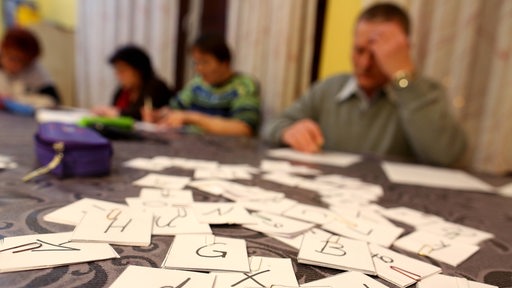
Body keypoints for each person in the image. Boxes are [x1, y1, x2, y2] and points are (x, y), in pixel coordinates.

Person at [262, 3, 467, 167]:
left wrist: (402, 78)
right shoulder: (329, 88)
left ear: (401, 53)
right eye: (359, 51)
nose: (365, 64)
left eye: (378, 55)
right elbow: (273, 125)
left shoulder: (424, 92)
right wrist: (287, 131)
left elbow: (446, 155)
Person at [148, 34, 260, 137]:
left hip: (224, 150)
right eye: (196, 63)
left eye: (205, 62)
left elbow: (243, 129)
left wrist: (192, 118)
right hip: (190, 143)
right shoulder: (197, 84)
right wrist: (159, 115)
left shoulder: (243, 85)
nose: (199, 69)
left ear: (225, 63)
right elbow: (175, 109)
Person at [92, 45, 173, 121]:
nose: (118, 75)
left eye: (122, 70)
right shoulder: (122, 91)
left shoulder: (156, 87)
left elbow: (145, 113)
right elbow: (112, 110)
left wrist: (117, 113)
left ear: (139, 69)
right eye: (117, 70)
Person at [0, 27, 61, 110]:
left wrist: (17, 99)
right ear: (3, 50)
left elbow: (53, 101)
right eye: (12, 58)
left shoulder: (35, 70)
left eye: (23, 61)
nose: (16, 64)